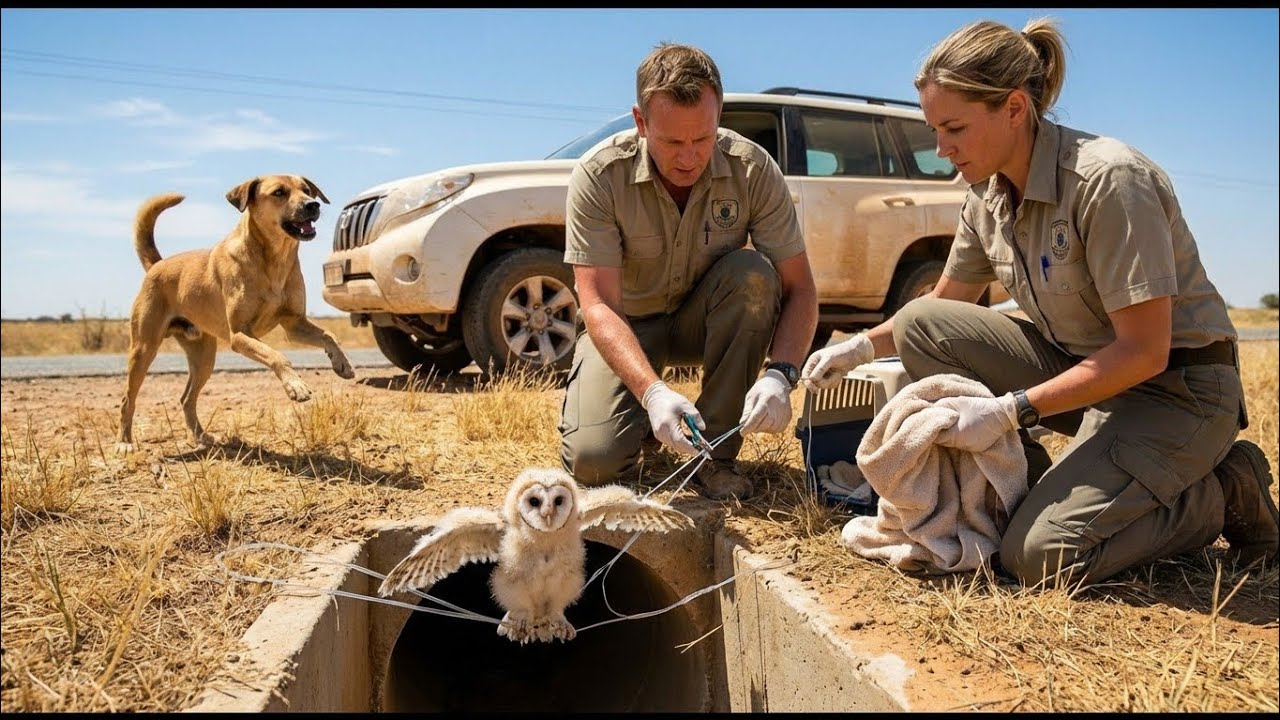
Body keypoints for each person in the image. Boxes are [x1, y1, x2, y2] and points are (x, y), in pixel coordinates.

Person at [801, 17, 1277, 587]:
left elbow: (1146, 352)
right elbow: (942, 305)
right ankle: (1025, 490)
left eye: (954, 128)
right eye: (935, 129)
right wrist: (856, 348)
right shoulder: (986, 194)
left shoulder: (1108, 181)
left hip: (1176, 393)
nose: (941, 148)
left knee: (1036, 559)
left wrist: (1009, 411)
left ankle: (1223, 491)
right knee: (925, 325)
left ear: (1015, 108)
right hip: (1091, 378)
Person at [559, 42, 819, 500]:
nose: (689, 158)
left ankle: (713, 455)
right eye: (672, 142)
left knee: (754, 275)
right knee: (593, 462)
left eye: (703, 139)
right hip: (626, 327)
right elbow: (597, 304)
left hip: (703, 322)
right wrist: (652, 392)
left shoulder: (752, 169)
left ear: (718, 116)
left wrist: (782, 374)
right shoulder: (600, 176)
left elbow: (800, 290)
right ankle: (644, 417)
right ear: (640, 123)